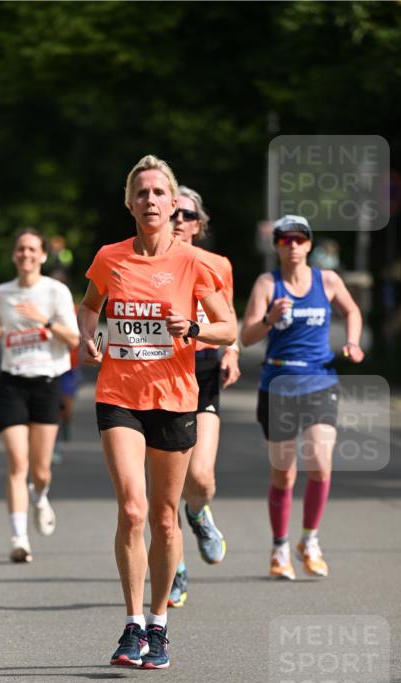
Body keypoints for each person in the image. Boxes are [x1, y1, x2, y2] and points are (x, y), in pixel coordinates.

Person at [78, 154, 235, 669]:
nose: (150, 201)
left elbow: (228, 326)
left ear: (173, 205)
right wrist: (89, 335)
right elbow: (89, 304)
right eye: (141, 193)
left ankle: (160, 626)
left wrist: (193, 329)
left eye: (159, 194)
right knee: (132, 509)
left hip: (174, 397)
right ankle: (131, 624)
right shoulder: (109, 258)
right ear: (130, 202)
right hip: (119, 394)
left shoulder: (193, 263)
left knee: (166, 521)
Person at [241, 214, 363, 580]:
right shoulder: (267, 283)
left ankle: (309, 541)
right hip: (277, 384)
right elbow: (246, 336)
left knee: (321, 463)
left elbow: (352, 310)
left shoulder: (327, 280)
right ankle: (280, 547)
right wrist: (268, 318)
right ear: (277, 245)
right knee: (284, 475)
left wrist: (352, 342)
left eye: (299, 239)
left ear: (309, 245)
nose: (292, 245)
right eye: (284, 239)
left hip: (319, 382)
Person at [0, 228, 80, 563]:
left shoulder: (56, 292)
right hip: (12, 382)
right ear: (14, 255)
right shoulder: (2, 293)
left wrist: (44, 322)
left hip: (46, 382)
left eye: (32, 249)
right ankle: (19, 538)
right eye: (20, 249)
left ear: (42, 255)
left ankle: (40, 496)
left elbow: (73, 340)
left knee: (40, 470)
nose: (25, 254)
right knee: (17, 463)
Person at [167, 186, 240, 608]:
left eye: (188, 215)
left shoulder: (217, 265)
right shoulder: (149, 263)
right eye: (174, 212)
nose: (179, 220)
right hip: (157, 375)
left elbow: (226, 318)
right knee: (164, 487)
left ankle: (197, 513)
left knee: (199, 478)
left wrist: (232, 352)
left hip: (204, 370)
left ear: (200, 223)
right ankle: (174, 571)